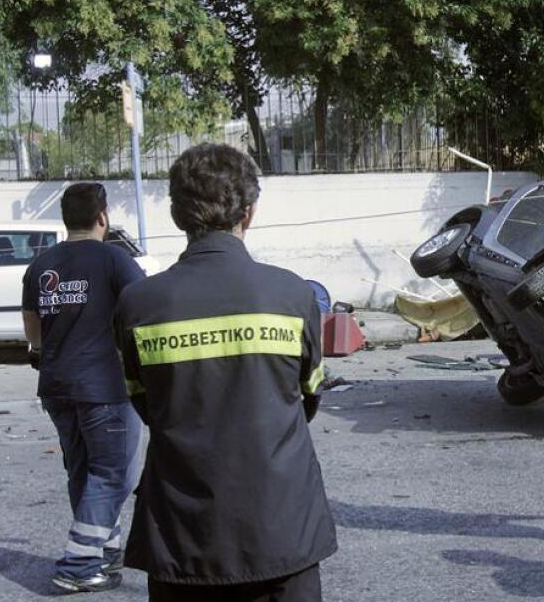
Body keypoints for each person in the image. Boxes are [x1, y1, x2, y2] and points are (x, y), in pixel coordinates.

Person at [114, 144, 337, 601]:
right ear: (249, 213)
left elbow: (145, 402)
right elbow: (309, 396)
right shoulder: (293, 296)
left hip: (183, 540)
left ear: (178, 215)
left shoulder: (138, 304)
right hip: (281, 531)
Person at [21, 183, 146, 593]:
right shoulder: (116, 259)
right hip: (105, 386)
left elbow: (32, 326)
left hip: (56, 386)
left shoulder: (42, 264)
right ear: (103, 217)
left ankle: (102, 551)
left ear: (65, 218)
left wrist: (42, 350)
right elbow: (141, 312)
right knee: (113, 474)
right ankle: (77, 564)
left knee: (83, 471)